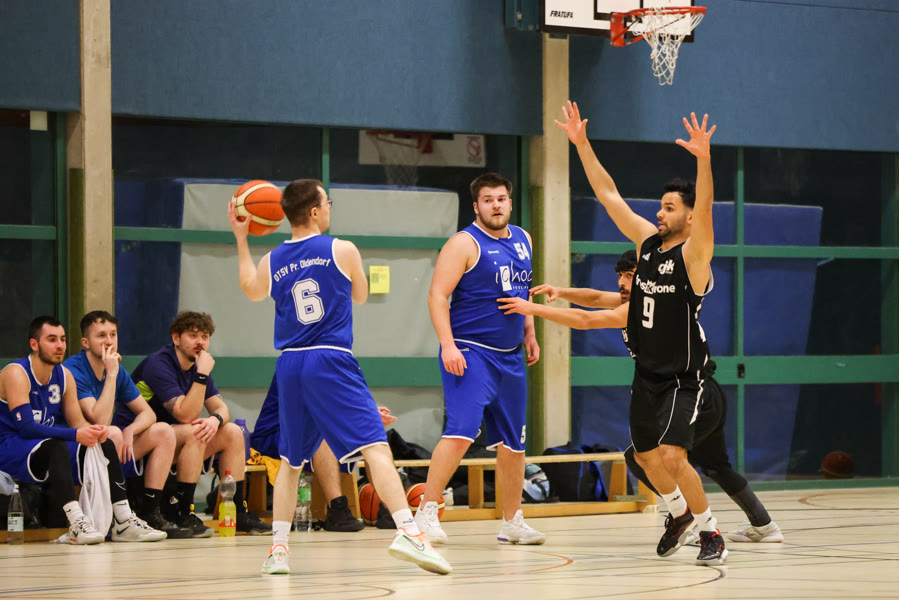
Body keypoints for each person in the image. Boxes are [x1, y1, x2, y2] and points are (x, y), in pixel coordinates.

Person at [228, 178, 451, 575]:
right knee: (376, 447)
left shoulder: (272, 260)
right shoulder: (342, 249)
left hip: (290, 364)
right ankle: (410, 533)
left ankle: (278, 551)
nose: (330, 207)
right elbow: (361, 295)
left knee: (291, 461)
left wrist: (241, 239)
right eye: (327, 201)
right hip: (330, 357)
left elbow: (249, 290)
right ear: (314, 211)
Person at [502, 250, 784, 544]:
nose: (622, 283)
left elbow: (586, 319)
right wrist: (561, 292)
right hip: (704, 391)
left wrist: (532, 309)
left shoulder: (647, 307)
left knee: (647, 457)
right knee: (714, 465)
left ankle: (685, 516)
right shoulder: (636, 300)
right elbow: (596, 298)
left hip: (689, 392)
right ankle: (764, 525)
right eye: (620, 276)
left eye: (630, 276)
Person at [555, 100, 727, 565]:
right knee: (646, 457)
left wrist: (704, 161)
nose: (660, 213)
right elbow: (608, 194)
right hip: (646, 374)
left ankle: (711, 532)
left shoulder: (694, 257)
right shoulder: (647, 245)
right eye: (661, 206)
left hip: (682, 377)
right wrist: (582, 144)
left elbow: (706, 210)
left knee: (673, 456)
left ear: (688, 217)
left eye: (670, 208)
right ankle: (678, 512)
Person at [414, 172, 544, 546]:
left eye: (501, 198)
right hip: (471, 352)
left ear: (510, 202)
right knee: (461, 431)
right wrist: (447, 345)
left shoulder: (524, 239)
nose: (496, 205)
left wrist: (530, 331)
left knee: (514, 444)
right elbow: (438, 296)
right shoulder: (463, 243)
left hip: (511, 356)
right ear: (476, 206)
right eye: (488, 200)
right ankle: (426, 512)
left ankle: (512, 521)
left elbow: (523, 290)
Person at [0, 316, 166, 544]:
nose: (60, 345)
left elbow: (78, 423)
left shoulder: (64, 375)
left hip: (42, 445)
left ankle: (123, 520)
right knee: (57, 447)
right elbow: (26, 428)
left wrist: (96, 433)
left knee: (105, 442)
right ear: (34, 344)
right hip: (10, 445)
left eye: (62, 339)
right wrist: (77, 434)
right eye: (51, 340)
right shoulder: (16, 372)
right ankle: (76, 522)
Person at [128, 311, 272, 538]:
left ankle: (237, 511)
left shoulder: (197, 366)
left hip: (172, 439)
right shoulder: (159, 364)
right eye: (193, 335)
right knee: (196, 430)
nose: (200, 342)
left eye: (204, 337)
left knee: (232, 432)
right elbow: (185, 415)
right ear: (176, 338)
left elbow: (222, 409)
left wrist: (215, 420)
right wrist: (202, 375)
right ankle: (183, 511)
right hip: (138, 440)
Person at [63, 310, 192, 539]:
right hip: (76, 449)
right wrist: (111, 374)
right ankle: (116, 519)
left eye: (113, 334)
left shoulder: (116, 369)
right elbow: (99, 420)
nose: (109, 341)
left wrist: (131, 430)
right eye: (101, 335)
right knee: (110, 432)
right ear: (85, 343)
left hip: (108, 445)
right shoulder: (74, 369)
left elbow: (148, 414)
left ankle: (150, 511)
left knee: (163, 431)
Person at [251, 372, 398, 532]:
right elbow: (317, 408)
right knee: (320, 431)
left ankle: (389, 508)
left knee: (372, 432)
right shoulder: (297, 365)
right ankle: (336, 509)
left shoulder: (338, 366)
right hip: (275, 434)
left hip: (308, 428)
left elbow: (347, 402)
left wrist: (369, 415)